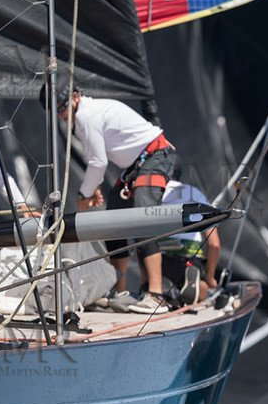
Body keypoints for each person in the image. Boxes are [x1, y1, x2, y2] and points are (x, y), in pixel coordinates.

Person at [60, 87, 181, 313]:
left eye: (62, 106)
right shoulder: (81, 118)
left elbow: (98, 163)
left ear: (75, 97)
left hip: (158, 156)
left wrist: (84, 195)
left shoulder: (86, 115)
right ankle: (119, 291)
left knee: (144, 219)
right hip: (139, 165)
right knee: (114, 219)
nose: (60, 114)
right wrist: (93, 188)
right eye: (54, 110)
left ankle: (156, 295)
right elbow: (95, 158)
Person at [159, 177, 220, 305]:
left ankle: (149, 288)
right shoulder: (194, 192)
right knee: (203, 286)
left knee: (148, 252)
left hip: (159, 257)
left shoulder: (150, 191)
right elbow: (214, 243)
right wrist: (210, 277)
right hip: (187, 257)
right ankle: (199, 285)